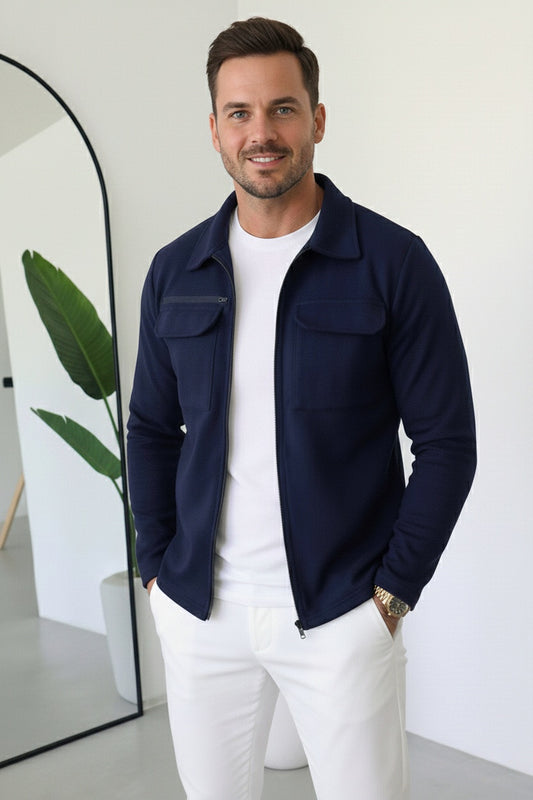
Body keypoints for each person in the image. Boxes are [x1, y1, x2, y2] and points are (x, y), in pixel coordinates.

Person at [127, 16, 476, 800]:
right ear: (214, 130)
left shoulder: (392, 262)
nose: (261, 133)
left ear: (316, 119)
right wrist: (157, 571)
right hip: (199, 614)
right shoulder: (175, 271)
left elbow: (447, 443)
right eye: (239, 113)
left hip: (340, 615)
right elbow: (150, 428)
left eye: (282, 109)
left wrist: (390, 595)